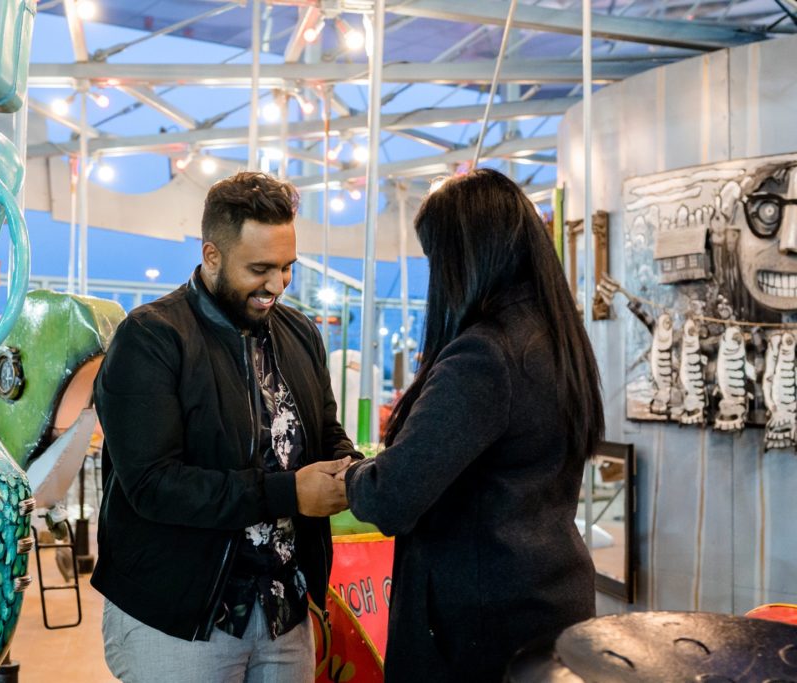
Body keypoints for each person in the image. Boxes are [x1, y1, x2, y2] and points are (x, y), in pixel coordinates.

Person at [92, 171, 360, 682]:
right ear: (211, 255)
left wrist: (354, 472)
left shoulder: (300, 333)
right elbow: (152, 485)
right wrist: (288, 493)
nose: (277, 285)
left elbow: (326, 433)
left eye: (287, 268)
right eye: (259, 268)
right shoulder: (152, 338)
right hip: (179, 617)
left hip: (285, 612)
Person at [342, 168, 604, 682]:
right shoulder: (554, 338)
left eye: (436, 258)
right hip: (550, 598)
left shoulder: (484, 356)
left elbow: (394, 496)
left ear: (465, 256)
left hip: (481, 626)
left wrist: (351, 476)